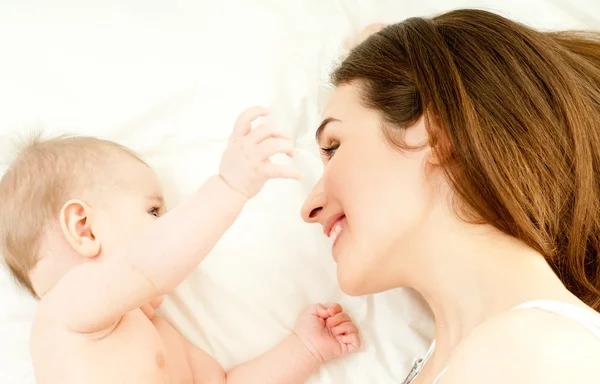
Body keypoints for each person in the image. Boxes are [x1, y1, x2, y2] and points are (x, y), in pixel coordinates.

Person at [301, 9, 600, 384]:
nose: (307, 207)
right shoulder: (506, 351)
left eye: (333, 146)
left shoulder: (537, 352)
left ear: (435, 133)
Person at [0, 107, 360, 384]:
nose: (171, 225)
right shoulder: (66, 311)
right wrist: (229, 186)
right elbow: (147, 266)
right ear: (84, 229)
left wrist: (305, 349)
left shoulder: (160, 334)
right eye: (154, 211)